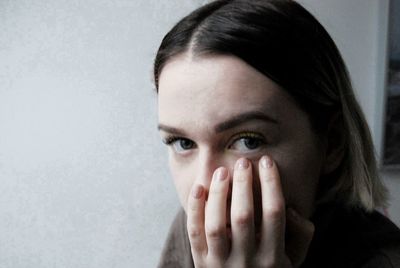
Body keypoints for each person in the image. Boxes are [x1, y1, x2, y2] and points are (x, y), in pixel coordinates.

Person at [153, 0, 400, 267]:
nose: (207, 187)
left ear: (332, 145)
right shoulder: (199, 224)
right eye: (183, 142)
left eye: (248, 141)